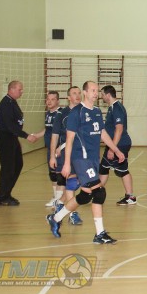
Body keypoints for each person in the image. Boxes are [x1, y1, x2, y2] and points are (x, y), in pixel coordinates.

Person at [46, 81, 125, 244]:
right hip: (81, 159)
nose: (96, 93)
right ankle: (100, 234)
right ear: (85, 92)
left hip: (93, 158)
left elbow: (102, 133)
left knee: (85, 195)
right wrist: (66, 163)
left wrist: (116, 150)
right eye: (93, 90)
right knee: (99, 192)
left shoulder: (96, 111)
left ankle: (55, 218)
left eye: (97, 91)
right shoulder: (77, 112)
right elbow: (69, 139)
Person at [0, 81, 38, 206]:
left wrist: (16, 139)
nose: (21, 92)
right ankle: (3, 197)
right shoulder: (6, 103)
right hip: (5, 137)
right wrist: (26, 135)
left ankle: (6, 193)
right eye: (20, 89)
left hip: (11, 137)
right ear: (11, 89)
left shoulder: (12, 102)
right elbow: (10, 125)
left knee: (18, 164)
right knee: (8, 168)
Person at [49, 86, 83, 225]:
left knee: (78, 184)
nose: (77, 95)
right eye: (74, 93)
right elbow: (55, 136)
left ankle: (60, 203)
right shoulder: (62, 114)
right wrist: (52, 156)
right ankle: (73, 214)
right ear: (69, 97)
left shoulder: (84, 111)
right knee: (71, 183)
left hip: (82, 153)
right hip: (67, 153)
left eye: (79, 93)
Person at [99, 85, 136, 205]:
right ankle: (96, 193)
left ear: (108, 95)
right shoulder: (112, 108)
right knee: (103, 168)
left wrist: (112, 149)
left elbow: (119, 129)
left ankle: (130, 197)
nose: (101, 97)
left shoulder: (117, 108)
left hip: (120, 144)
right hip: (114, 144)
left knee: (122, 171)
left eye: (102, 94)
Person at [32, 91, 62, 207]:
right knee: (52, 175)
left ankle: (59, 199)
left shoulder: (60, 114)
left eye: (52, 99)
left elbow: (65, 132)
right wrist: (36, 136)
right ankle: (55, 197)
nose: (49, 102)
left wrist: (61, 147)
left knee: (59, 175)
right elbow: (47, 130)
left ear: (58, 101)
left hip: (58, 150)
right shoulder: (48, 114)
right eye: (48, 99)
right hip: (50, 149)